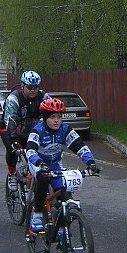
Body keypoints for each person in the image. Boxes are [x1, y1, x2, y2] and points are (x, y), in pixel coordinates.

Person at [26, 97, 101, 232]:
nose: (56, 120)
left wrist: (91, 163)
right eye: (53, 117)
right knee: (43, 179)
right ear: (45, 118)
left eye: (59, 117)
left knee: (63, 190)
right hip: (38, 162)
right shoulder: (37, 130)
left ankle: (61, 227)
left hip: (55, 163)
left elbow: (80, 147)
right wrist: (39, 163)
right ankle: (37, 213)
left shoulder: (65, 129)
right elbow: (30, 151)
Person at [0, 70, 50, 179]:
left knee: (34, 157)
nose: (33, 90)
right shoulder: (13, 98)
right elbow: (10, 121)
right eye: (29, 88)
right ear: (22, 86)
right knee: (13, 150)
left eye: (35, 88)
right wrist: (14, 140)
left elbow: (51, 116)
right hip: (10, 129)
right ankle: (12, 175)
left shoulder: (44, 97)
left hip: (31, 131)